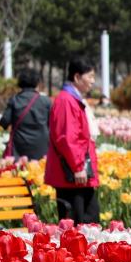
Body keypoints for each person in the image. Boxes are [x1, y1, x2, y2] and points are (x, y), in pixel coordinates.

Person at [45, 57, 100, 224]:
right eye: (89, 76)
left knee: (88, 224)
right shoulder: (66, 100)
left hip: (77, 175)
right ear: (77, 77)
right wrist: (78, 166)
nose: (92, 81)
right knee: (77, 225)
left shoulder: (71, 99)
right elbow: (67, 137)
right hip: (73, 176)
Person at [0, 68, 52, 161]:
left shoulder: (14, 100)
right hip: (41, 147)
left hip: (19, 148)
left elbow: (4, 122)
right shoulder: (46, 101)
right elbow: (53, 124)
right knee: (40, 172)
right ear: (37, 82)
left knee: (18, 173)